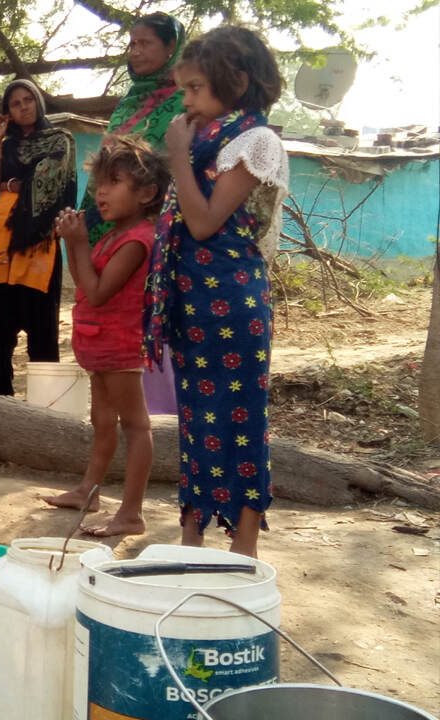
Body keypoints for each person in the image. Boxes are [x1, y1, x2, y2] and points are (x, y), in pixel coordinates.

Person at [144, 26, 288, 558]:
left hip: (234, 299)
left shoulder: (256, 142)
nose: (188, 103)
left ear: (239, 82)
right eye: (184, 91)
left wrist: (178, 156)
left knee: (240, 419)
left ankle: (243, 547)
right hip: (194, 300)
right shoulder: (209, 138)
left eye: (197, 89)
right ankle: (191, 537)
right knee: (196, 419)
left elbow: (203, 223)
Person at [44, 136, 170, 537]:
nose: (101, 191)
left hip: (120, 345)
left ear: (147, 192)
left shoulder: (137, 240)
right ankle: (88, 491)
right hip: (100, 343)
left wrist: (77, 241)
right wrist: (71, 244)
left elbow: (98, 293)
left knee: (136, 426)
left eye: (114, 181)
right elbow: (84, 282)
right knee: (101, 420)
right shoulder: (116, 234)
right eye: (100, 182)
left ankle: (131, 514)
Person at [83, 12, 186, 415]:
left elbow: (174, 165)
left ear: (171, 47)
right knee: (110, 306)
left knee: (146, 312)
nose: (136, 51)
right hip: (113, 217)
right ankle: (115, 409)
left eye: (145, 43)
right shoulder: (130, 98)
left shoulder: (184, 98)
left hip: (156, 222)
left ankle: (155, 412)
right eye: (132, 43)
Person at [0, 79, 77, 397]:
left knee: (42, 329)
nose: (23, 107)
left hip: (38, 243)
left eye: (28, 100)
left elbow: (49, 179)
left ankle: (47, 411)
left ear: (38, 101)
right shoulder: (7, 145)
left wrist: (20, 183)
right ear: (8, 112)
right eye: (15, 104)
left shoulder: (61, 140)